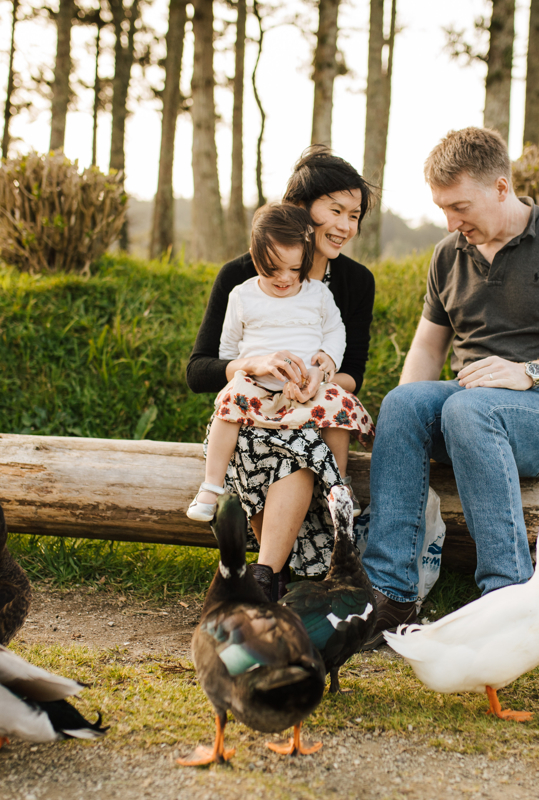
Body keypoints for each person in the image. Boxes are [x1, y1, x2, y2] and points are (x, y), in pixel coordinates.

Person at [360, 127, 539, 647]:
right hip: (470, 408)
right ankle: (390, 595)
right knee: (404, 403)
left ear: (501, 188)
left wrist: (528, 373)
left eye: (460, 207)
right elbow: (427, 349)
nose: (451, 223)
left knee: (470, 410)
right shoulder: (448, 255)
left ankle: (509, 598)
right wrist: (401, 425)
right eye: (442, 209)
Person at [186, 146, 377, 600]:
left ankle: (266, 575)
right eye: (335, 211)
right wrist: (251, 365)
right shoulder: (241, 278)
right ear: (299, 209)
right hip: (250, 413)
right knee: (269, 444)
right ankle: (272, 573)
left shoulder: (354, 282)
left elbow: (352, 373)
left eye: (354, 216)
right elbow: (199, 370)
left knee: (299, 447)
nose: (346, 227)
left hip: (309, 412)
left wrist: (314, 383)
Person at [187, 203, 373, 527]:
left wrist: (327, 362)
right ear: (253, 256)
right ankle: (211, 488)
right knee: (229, 405)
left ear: (306, 259)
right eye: (272, 269)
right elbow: (227, 348)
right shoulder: (242, 295)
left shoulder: (318, 294)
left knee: (338, 405)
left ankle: (339, 486)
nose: (284, 278)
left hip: (306, 387)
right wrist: (242, 372)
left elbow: (335, 331)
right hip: (257, 387)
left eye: (294, 268)